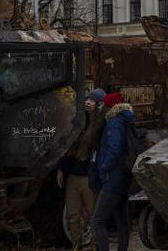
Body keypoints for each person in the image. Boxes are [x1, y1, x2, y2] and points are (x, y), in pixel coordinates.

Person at [58, 88, 107, 250]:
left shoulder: (100, 125)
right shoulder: (77, 123)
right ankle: (76, 244)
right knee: (72, 214)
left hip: (88, 176)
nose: (87, 102)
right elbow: (66, 148)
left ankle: (95, 245)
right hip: (73, 174)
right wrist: (61, 170)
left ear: (99, 104)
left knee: (92, 214)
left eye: (91, 100)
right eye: (86, 99)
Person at [91, 102, 136, 251]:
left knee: (97, 220)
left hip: (113, 178)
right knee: (122, 221)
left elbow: (115, 149)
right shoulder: (126, 121)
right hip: (123, 177)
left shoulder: (113, 122)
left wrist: (104, 167)